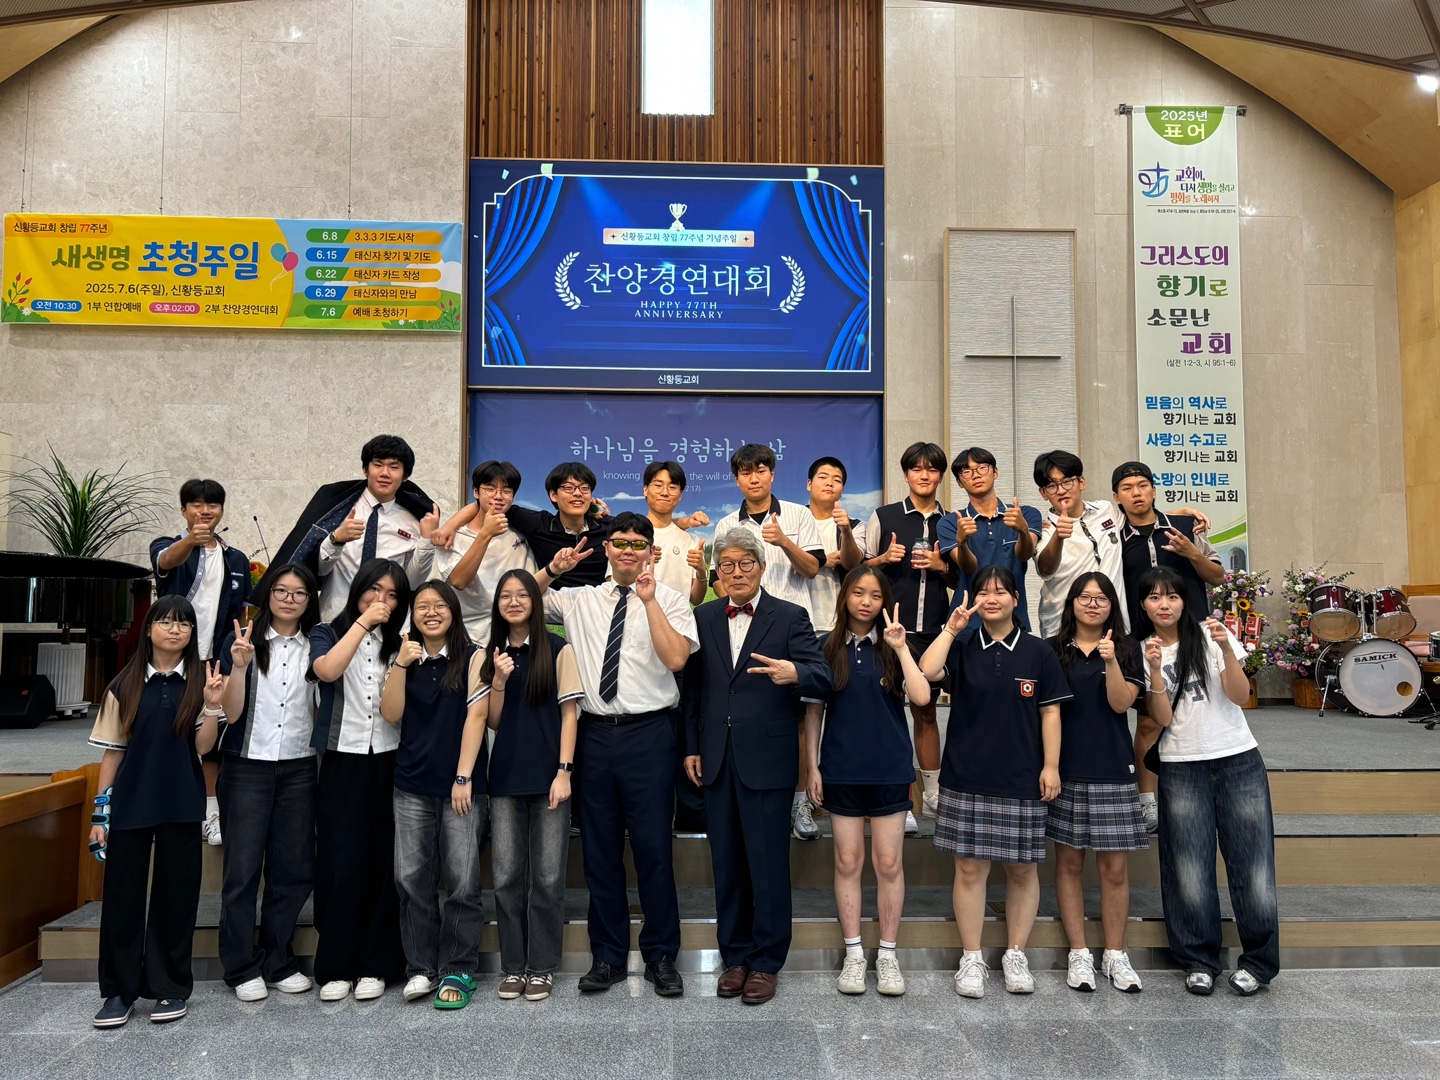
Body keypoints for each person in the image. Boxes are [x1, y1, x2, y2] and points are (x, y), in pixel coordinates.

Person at [538, 512, 699, 997]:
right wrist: (553, 570)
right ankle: (606, 957)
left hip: (650, 734)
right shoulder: (579, 599)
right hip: (593, 736)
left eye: (638, 543)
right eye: (620, 542)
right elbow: (515, 602)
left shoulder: (671, 599)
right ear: (607, 548)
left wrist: (649, 601)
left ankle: (661, 957)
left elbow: (676, 659)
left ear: (651, 550)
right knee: (600, 853)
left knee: (654, 851)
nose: (629, 550)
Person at [683, 529, 831, 1005]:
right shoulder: (703, 617)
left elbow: (824, 675)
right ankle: (735, 958)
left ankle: (766, 962)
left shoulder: (789, 616)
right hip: (716, 757)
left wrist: (795, 672)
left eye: (745, 563)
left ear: (762, 568)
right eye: (726, 565)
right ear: (716, 573)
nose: (737, 573)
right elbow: (693, 690)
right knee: (726, 863)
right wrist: (691, 746)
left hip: (767, 759)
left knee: (767, 865)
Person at [918, 566, 1070, 999]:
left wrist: (1051, 766)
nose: (991, 598)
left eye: (1001, 591)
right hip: (966, 775)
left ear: (1016, 600)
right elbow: (928, 671)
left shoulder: (1039, 652)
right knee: (969, 869)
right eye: (983, 591)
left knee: (1022, 869)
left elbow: (1051, 712)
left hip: (1022, 776)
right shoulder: (963, 646)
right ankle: (972, 958)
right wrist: (951, 629)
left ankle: (1015, 954)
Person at [1136, 566, 1278, 998]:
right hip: (1181, 765)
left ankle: (1259, 963)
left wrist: (1228, 650)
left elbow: (1240, 696)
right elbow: (1161, 719)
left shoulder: (1211, 634)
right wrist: (1155, 670)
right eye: (1154, 597)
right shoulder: (1142, 650)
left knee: (1253, 865)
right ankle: (1199, 961)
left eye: (1172, 596)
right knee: (1188, 869)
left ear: (1185, 601)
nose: (1164, 605)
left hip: (1237, 758)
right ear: (1143, 605)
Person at [87, 597, 225, 1028]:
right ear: (148, 629)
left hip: (181, 804)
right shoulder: (123, 685)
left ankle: (170, 987)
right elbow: (112, 754)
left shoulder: (200, 680)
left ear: (192, 633)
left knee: (176, 898)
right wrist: (100, 815)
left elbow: (202, 748)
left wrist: (212, 705)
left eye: (183, 623)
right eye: (165, 621)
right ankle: (118, 992)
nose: (174, 629)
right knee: (122, 899)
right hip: (131, 804)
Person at [804, 568, 928, 997]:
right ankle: (854, 954)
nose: (866, 602)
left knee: (889, 863)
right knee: (847, 861)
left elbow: (922, 696)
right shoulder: (826, 647)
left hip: (890, 769)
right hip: (841, 770)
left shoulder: (896, 645)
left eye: (875, 595)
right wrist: (813, 769)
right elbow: (814, 713)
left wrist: (901, 647)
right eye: (858, 593)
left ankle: (888, 956)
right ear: (845, 597)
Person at [307, 558, 413, 1002]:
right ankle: (336, 965)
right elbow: (327, 671)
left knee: (384, 862)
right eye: (374, 590)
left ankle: (377, 965)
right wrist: (363, 622)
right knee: (340, 861)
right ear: (357, 590)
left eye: (392, 595)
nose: (381, 600)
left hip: (390, 758)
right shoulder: (327, 631)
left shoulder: (402, 642)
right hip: (342, 758)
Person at [215, 563, 321, 1003]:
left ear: (310, 600)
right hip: (247, 766)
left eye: (299, 593)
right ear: (268, 594)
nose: (289, 599)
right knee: (242, 871)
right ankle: (241, 966)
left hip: (299, 766)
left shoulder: (316, 645)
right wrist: (239, 668)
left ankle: (278, 960)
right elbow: (231, 714)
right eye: (281, 591)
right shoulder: (242, 641)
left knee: (292, 870)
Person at [710, 443, 826, 841]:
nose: (754, 478)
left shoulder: (798, 514)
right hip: (742, 630)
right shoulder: (726, 524)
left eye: (761, 470)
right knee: (746, 712)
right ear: (737, 479)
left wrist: (783, 542)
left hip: (789, 629)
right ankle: (747, 793)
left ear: (772, 474)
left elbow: (812, 569)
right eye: (746, 472)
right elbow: (717, 581)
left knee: (797, 718)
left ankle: (800, 803)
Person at [380, 580, 487, 1010]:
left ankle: (459, 967)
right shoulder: (405, 657)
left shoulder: (474, 656)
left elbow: (477, 717)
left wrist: (463, 777)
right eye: (422, 606)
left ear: (453, 611)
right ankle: (420, 967)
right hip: (411, 784)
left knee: (462, 880)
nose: (431, 612)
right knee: (411, 879)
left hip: (459, 786)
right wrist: (400, 664)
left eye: (439, 605)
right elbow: (391, 713)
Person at [480, 569, 585, 1003]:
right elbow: (493, 721)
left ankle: (541, 968)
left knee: (547, 876)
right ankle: (513, 966)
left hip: (549, 779)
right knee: (506, 877)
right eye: (505, 595)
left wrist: (564, 771)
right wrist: (498, 682)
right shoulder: (492, 653)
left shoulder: (558, 649)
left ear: (535, 601)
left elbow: (569, 715)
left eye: (522, 594)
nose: (514, 602)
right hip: (505, 779)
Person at [1044, 573, 1148, 994]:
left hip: (1112, 768)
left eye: (1101, 598)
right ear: (1071, 603)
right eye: (1085, 597)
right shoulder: (1052, 650)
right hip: (1065, 769)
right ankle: (1079, 953)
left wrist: (1110, 661)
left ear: (1112, 606)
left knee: (1114, 868)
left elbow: (1121, 704)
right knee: (1069, 865)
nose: (1092, 604)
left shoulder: (1127, 648)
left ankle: (1115, 954)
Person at [1112, 461, 1224, 835]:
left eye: (1143, 485)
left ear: (1154, 490)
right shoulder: (1114, 537)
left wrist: (1192, 551)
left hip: (1192, 636)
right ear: (1117, 497)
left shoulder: (1186, 527)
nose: (1137, 493)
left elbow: (1217, 576)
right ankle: (1146, 801)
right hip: (1145, 640)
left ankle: (1201, 792)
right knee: (1148, 720)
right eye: (1127, 488)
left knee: (1200, 711)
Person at [150, 478, 251, 847]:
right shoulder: (168, 545)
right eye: (196, 504)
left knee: (213, 739)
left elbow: (242, 612)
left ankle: (210, 812)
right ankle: (160, 808)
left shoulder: (236, 558)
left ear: (221, 510)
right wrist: (191, 540)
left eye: (212, 505)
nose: (205, 511)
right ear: (183, 510)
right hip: (173, 662)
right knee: (166, 732)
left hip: (215, 661)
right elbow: (165, 561)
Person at [864, 441, 956, 821]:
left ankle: (932, 794)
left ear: (940, 476)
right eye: (916, 469)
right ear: (905, 475)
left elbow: (964, 578)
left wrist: (941, 567)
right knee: (886, 715)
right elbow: (860, 572)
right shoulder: (884, 516)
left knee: (926, 711)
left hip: (933, 632)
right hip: (889, 631)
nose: (924, 475)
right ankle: (896, 799)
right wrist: (884, 559)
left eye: (931, 469)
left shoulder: (951, 522)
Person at [265, 435, 439, 621]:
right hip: (335, 617)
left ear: (405, 476)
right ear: (365, 470)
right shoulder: (337, 508)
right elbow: (318, 570)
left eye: (394, 467)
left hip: (385, 621)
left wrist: (427, 540)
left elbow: (412, 582)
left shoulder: (414, 520)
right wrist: (336, 540)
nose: (385, 473)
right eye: (378, 465)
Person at [441, 462, 613, 590]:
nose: (577, 493)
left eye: (584, 488)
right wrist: (450, 525)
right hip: (555, 603)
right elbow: (489, 504)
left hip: (598, 602)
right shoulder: (537, 524)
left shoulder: (611, 527)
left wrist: (594, 510)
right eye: (568, 488)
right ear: (553, 495)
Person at [937, 448, 1041, 631]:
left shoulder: (1025, 514)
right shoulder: (951, 522)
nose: (976, 475)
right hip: (967, 622)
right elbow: (969, 568)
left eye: (982, 468)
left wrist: (1023, 530)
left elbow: (1024, 555)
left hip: (1014, 619)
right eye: (967, 471)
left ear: (996, 472)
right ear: (959, 482)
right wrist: (962, 543)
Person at [1033, 450, 1129, 640]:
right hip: (1062, 631)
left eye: (1067, 481)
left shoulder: (1106, 510)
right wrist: (1058, 537)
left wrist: (1180, 514)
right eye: (1051, 486)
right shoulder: (1043, 530)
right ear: (1043, 493)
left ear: (1081, 482)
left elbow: (1140, 520)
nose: (1061, 490)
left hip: (1114, 628)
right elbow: (1045, 569)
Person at [435, 460, 536, 641]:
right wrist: (485, 534)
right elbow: (458, 581)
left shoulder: (520, 535)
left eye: (506, 491)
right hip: (467, 636)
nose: (498, 496)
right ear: (476, 492)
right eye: (490, 489)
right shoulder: (453, 537)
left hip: (511, 635)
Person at [644, 461, 709, 606]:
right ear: (645, 490)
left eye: (672, 487)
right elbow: (613, 584)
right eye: (658, 485)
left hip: (678, 619)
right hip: (638, 619)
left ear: (680, 495)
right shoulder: (628, 536)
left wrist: (701, 571)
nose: (665, 492)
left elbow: (696, 599)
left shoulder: (691, 541)